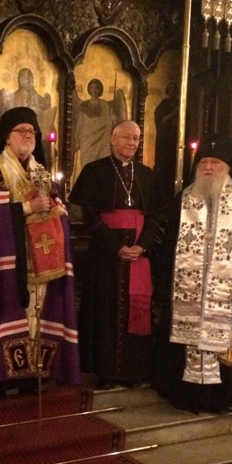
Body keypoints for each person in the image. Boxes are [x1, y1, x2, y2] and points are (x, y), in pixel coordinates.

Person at [0, 107, 80, 400]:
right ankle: (1, 377)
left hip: (40, 260)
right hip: (7, 260)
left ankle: (35, 373)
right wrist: (29, 208)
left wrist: (55, 209)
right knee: (5, 312)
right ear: (7, 137)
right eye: (22, 131)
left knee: (37, 314)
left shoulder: (40, 170)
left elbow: (57, 206)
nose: (28, 136)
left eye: (32, 132)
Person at [152, 132, 232, 414]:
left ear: (227, 167)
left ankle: (220, 396)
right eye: (204, 162)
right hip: (186, 293)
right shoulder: (185, 199)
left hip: (227, 295)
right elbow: (169, 246)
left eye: (215, 162)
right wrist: (165, 285)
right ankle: (185, 394)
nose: (209, 167)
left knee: (224, 343)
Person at [70, 120, 169, 389]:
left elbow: (156, 216)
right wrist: (115, 246)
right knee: (106, 312)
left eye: (136, 138)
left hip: (139, 254)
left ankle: (134, 372)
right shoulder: (94, 171)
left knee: (136, 313)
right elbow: (89, 215)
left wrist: (142, 245)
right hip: (105, 255)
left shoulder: (147, 175)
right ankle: (106, 372)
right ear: (112, 139)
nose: (131, 143)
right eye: (126, 137)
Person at [72, 78, 127, 181]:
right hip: (87, 140)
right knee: (87, 164)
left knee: (101, 165)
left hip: (102, 140)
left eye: (97, 88)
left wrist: (113, 118)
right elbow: (81, 123)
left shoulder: (105, 105)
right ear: (89, 89)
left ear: (100, 89)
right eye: (92, 87)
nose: (94, 90)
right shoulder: (83, 106)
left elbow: (109, 120)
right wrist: (77, 137)